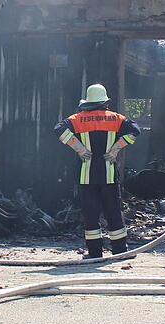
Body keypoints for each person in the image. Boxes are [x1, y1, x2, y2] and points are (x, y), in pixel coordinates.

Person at [54, 84, 141, 258]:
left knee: (91, 214)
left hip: (87, 176)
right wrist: (116, 148)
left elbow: (59, 129)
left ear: (87, 102)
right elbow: (135, 131)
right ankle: (120, 251)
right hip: (108, 174)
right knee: (114, 211)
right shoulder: (116, 118)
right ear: (105, 102)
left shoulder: (77, 119)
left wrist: (78, 148)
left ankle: (95, 253)